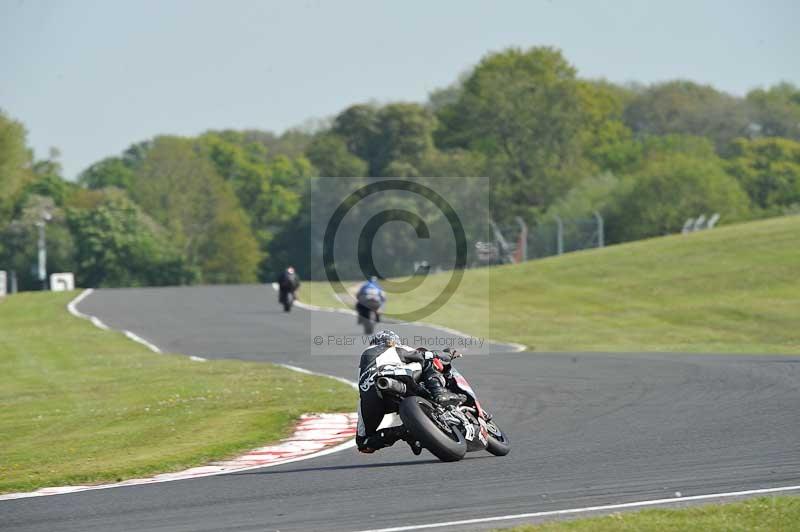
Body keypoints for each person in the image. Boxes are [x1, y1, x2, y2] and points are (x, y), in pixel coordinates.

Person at [356, 329, 464, 454]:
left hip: (369, 397)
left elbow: (362, 391)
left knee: (364, 443)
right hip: (394, 375)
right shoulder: (392, 348)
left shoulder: (363, 363)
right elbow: (422, 355)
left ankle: (404, 431)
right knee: (427, 359)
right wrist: (447, 354)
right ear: (392, 342)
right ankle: (438, 392)